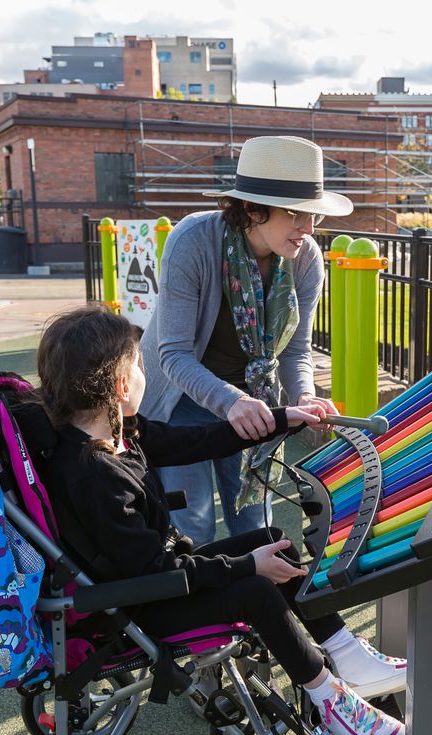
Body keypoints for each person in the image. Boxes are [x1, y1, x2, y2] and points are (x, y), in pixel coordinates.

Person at [35, 306, 407, 735]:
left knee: (274, 539)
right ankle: (328, 697)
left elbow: (200, 441)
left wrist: (283, 417)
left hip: (158, 579)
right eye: (139, 365)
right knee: (256, 588)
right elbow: (153, 570)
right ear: (121, 386)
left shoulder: (118, 432)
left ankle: (344, 651)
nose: (144, 373)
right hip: (138, 606)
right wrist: (246, 566)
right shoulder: (94, 474)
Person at [140, 135, 347, 546]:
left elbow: (294, 349)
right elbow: (174, 354)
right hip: (180, 401)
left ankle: (247, 611)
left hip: (255, 398)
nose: (308, 229)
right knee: (192, 527)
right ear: (252, 209)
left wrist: (303, 395)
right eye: (296, 214)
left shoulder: (305, 259)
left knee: (254, 525)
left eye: (314, 217)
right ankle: (201, 612)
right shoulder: (193, 242)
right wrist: (231, 402)